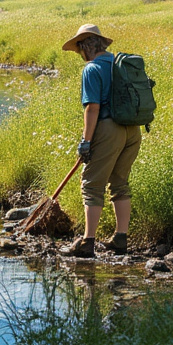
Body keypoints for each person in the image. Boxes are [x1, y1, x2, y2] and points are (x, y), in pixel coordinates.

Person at [60, 23, 140, 258]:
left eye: (78, 49)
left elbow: (92, 108)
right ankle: (120, 238)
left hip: (108, 128)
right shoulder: (119, 64)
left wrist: (86, 142)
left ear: (85, 46)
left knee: (92, 186)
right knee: (119, 182)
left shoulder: (92, 69)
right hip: (132, 130)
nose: (79, 55)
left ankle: (87, 243)